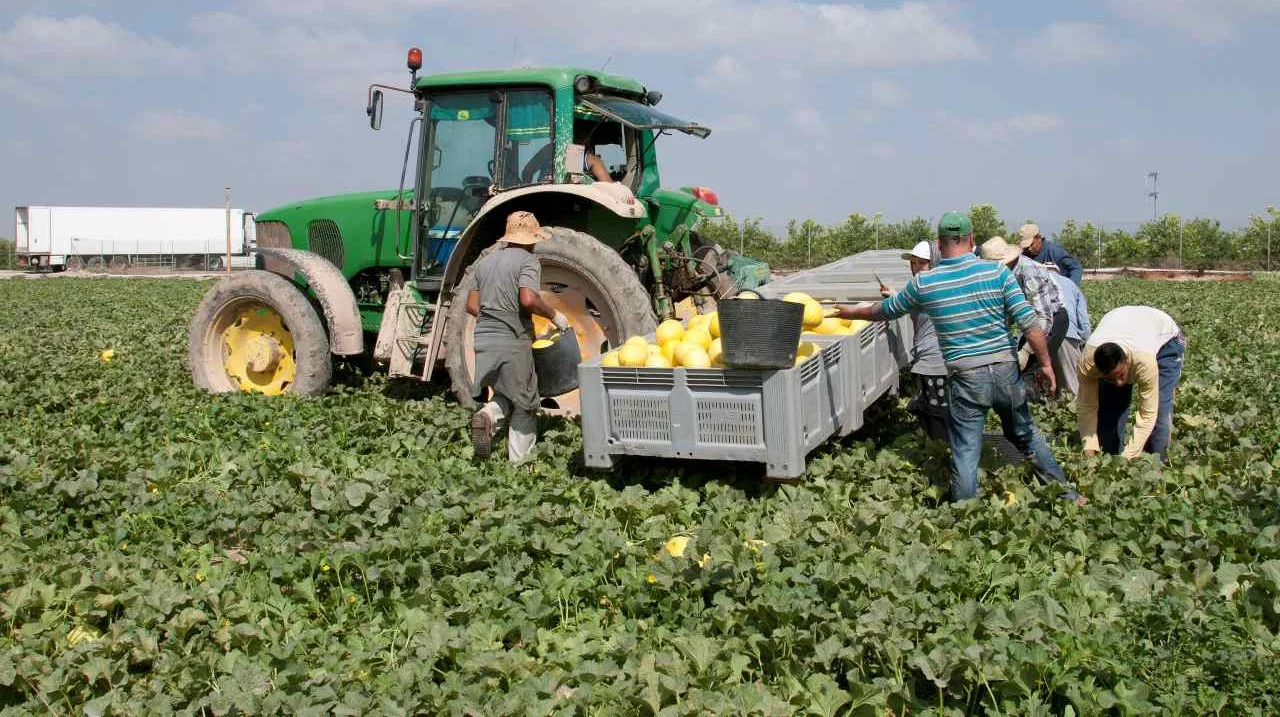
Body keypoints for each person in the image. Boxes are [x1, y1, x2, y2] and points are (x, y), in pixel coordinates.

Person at [837, 212, 1085, 504]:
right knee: (1025, 434)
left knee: (966, 448)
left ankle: (967, 513)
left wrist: (850, 311)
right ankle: (1068, 495)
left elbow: (884, 310)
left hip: (967, 376)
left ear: (940, 244)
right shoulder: (998, 273)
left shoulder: (925, 283)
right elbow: (1030, 324)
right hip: (1006, 369)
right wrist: (1045, 365)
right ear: (971, 241)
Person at [467, 211, 571, 462]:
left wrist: (495, 314)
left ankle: (488, 415)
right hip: (511, 340)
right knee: (525, 401)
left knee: (505, 392)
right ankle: (520, 466)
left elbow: (471, 305)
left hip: (483, 340)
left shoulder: (485, 262)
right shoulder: (527, 260)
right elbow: (528, 299)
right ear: (532, 239)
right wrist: (554, 315)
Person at [1077, 306, 1185, 461]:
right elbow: (1087, 407)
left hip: (1166, 340)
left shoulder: (1144, 361)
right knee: (1110, 408)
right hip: (1122, 324)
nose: (1119, 383)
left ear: (1127, 361)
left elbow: (1147, 414)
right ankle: (1109, 459)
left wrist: (1128, 457)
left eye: (1121, 375)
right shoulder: (1087, 364)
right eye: (1109, 378)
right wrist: (1089, 446)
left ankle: (1157, 464)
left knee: (1159, 409)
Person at [979, 236, 1068, 377]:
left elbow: (1043, 317)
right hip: (1031, 322)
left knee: (1029, 369)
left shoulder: (1030, 271)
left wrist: (1026, 351)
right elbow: (1007, 312)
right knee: (1017, 367)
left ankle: (1039, 396)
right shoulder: (1004, 274)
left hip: (1051, 320)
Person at [893, 241, 949, 441]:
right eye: (913, 263)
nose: (916, 268)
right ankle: (941, 450)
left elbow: (898, 306)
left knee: (938, 412)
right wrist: (893, 295)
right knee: (934, 409)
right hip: (928, 362)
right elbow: (907, 303)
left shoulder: (931, 288)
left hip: (937, 363)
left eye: (922, 263)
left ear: (934, 263)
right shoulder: (923, 287)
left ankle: (943, 454)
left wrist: (855, 312)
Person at [1048, 268, 1091, 397]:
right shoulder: (1070, 284)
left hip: (1038, 338)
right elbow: (1083, 320)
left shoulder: (1034, 281)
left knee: (1048, 385)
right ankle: (1073, 415)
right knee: (1072, 386)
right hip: (1066, 335)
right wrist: (1085, 341)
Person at [1019, 223, 1083, 285]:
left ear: (1039, 238)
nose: (1029, 249)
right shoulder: (1023, 256)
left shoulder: (1055, 252)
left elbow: (1076, 269)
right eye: (1027, 246)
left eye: (1032, 244)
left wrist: (1070, 286)